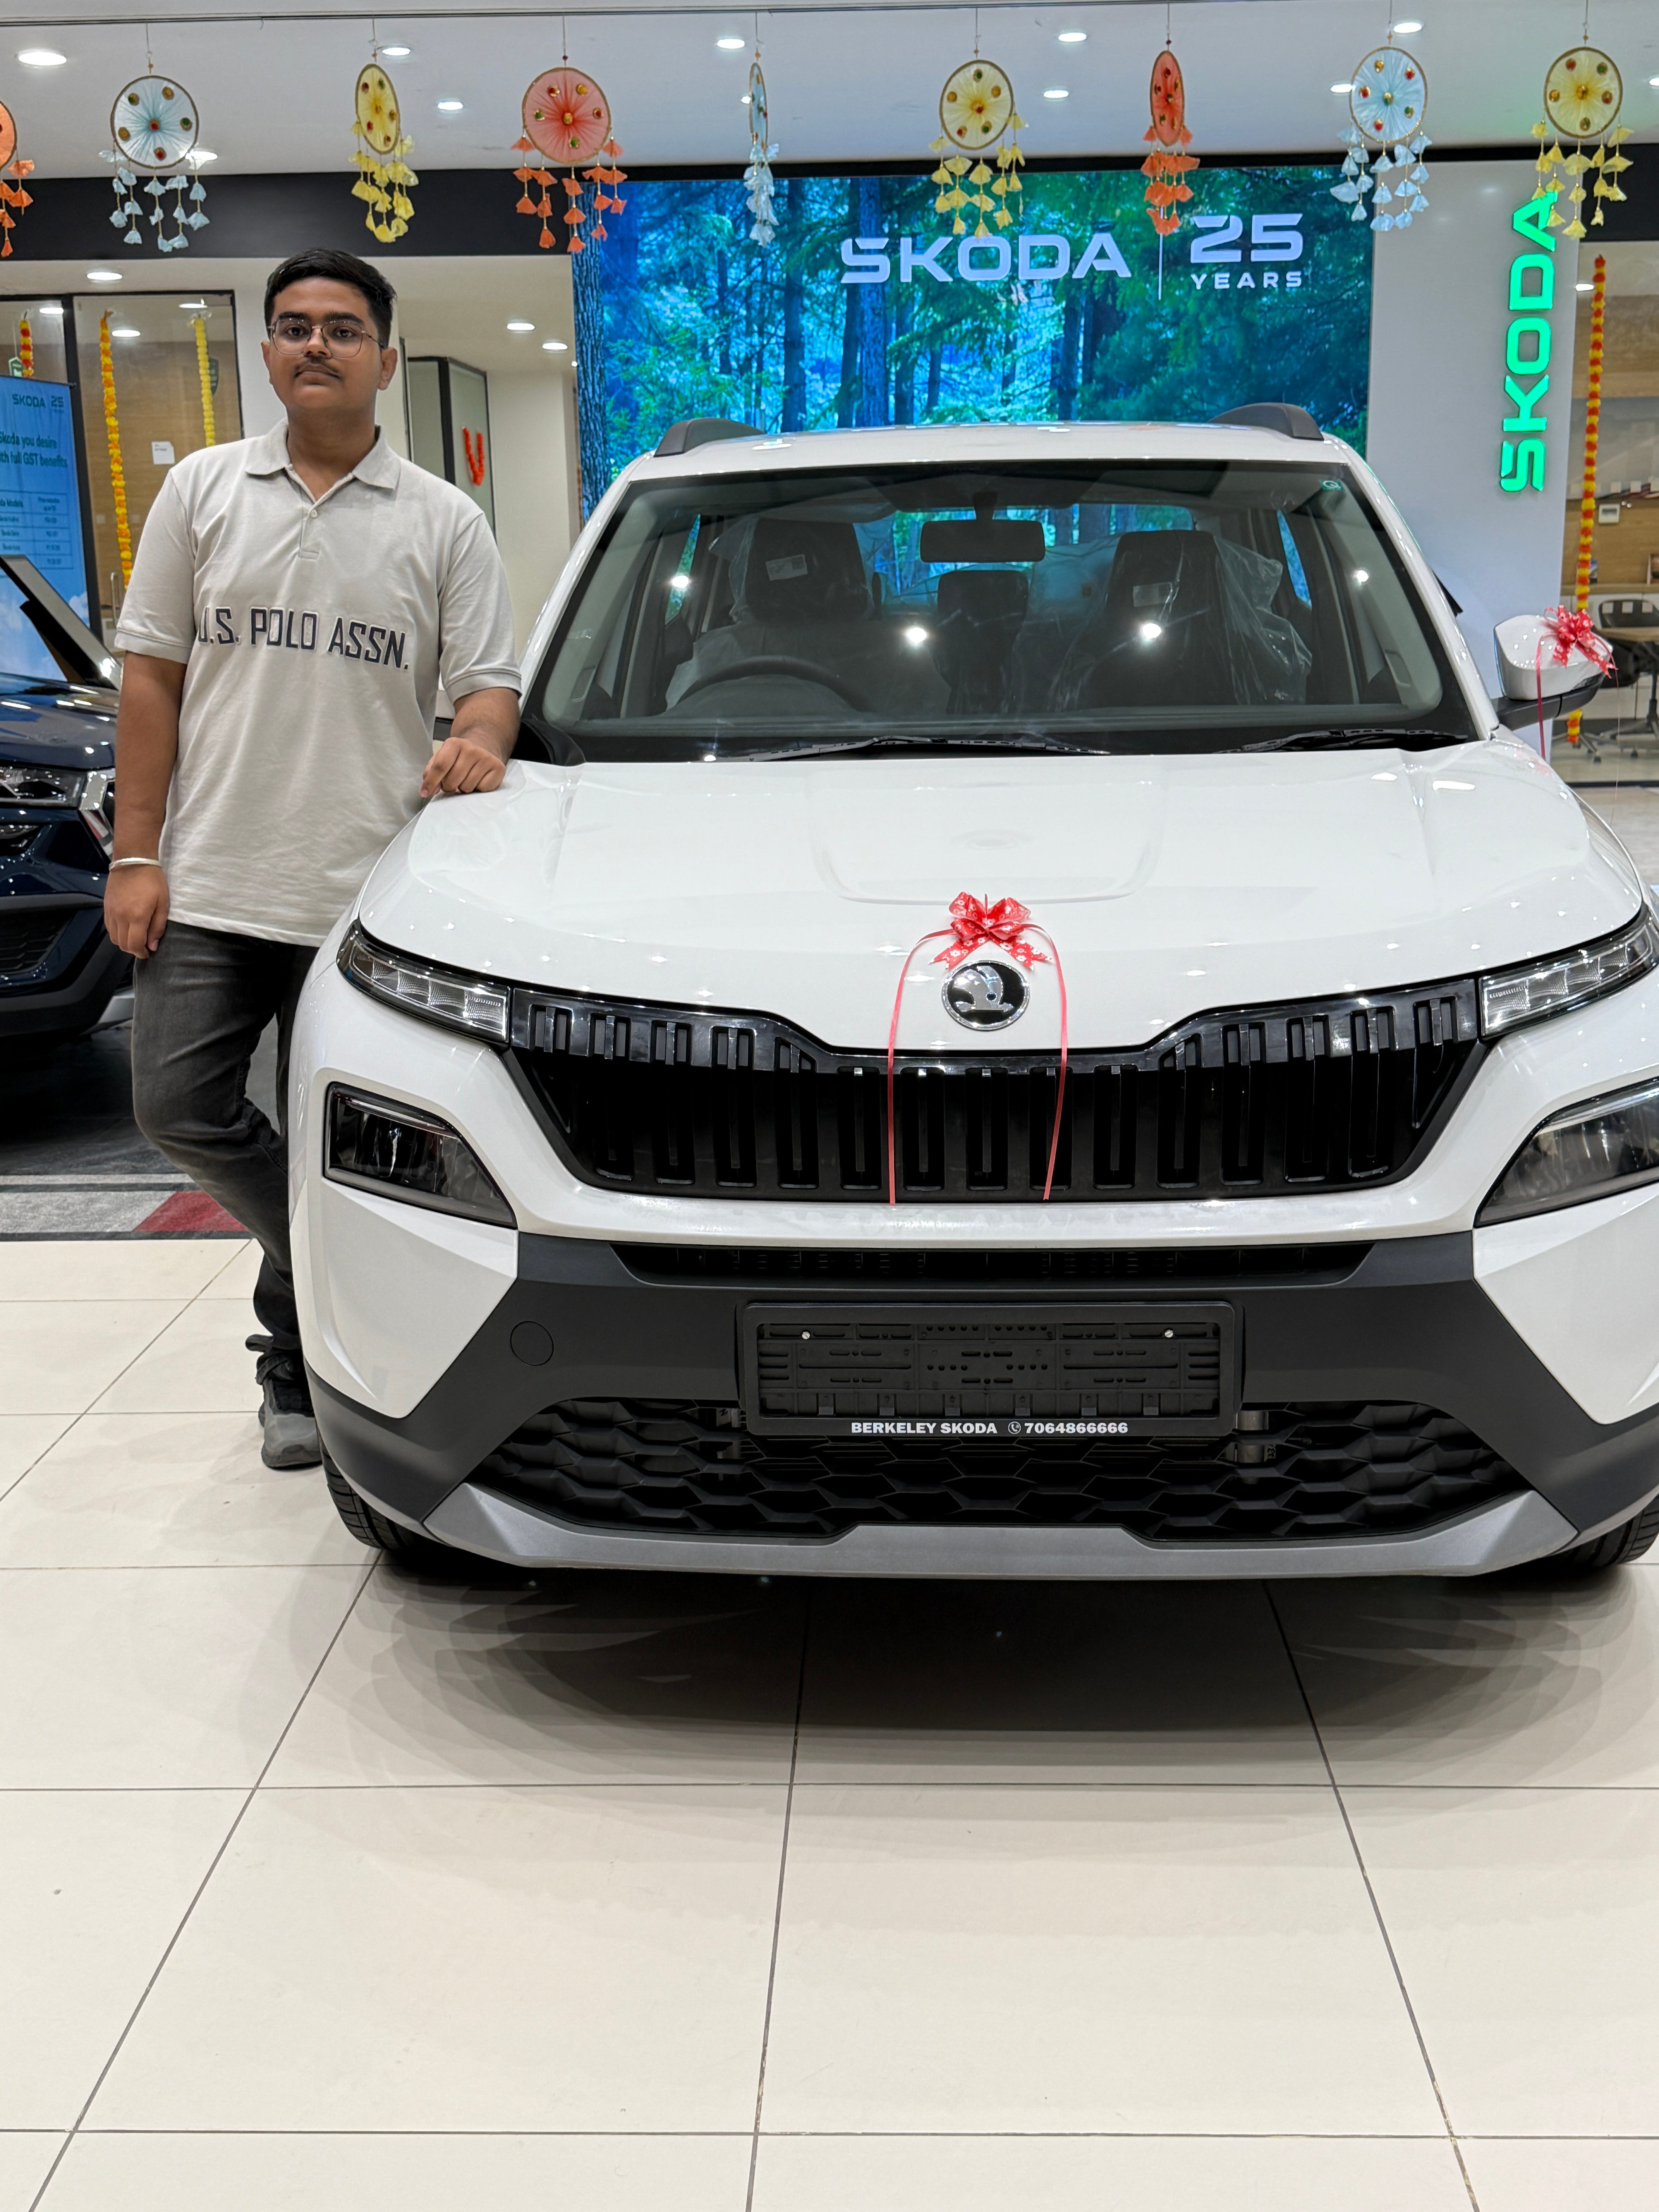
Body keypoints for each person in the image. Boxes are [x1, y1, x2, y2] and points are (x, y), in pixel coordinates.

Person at [103, 246, 520, 1470]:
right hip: (213, 876)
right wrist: (135, 852)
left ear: (386, 358)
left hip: (366, 896)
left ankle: (293, 1366)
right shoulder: (202, 494)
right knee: (175, 1109)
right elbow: (152, 677)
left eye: (342, 327)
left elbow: (487, 683)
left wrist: (482, 744)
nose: (314, 345)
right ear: (268, 352)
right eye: (292, 326)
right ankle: (319, 1251)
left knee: (341, 1130)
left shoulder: (443, 518)